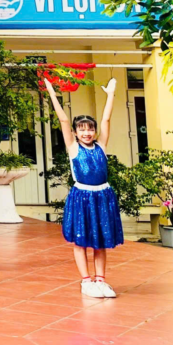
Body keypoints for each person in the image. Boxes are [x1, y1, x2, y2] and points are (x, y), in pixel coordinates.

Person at [45, 77, 122, 298]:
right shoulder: (73, 147)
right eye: (81, 129)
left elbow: (106, 119)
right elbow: (63, 119)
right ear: (76, 132)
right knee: (81, 240)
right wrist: (52, 93)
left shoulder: (101, 146)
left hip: (102, 196)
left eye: (90, 129)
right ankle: (86, 281)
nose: (86, 133)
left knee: (100, 241)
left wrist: (111, 94)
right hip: (82, 197)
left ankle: (101, 280)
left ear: (95, 131)